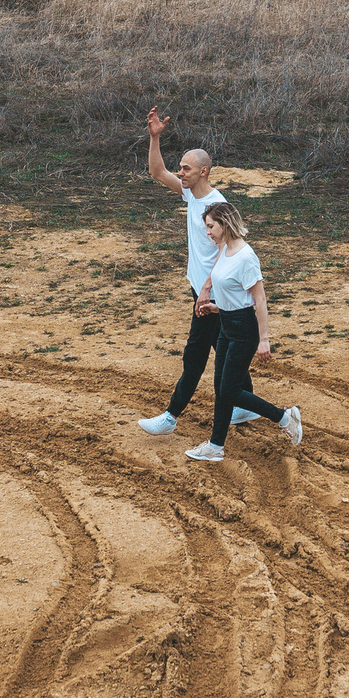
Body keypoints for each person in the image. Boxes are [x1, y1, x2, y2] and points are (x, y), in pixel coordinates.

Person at [135, 106, 261, 436]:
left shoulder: (217, 207)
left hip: (214, 291)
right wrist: (154, 138)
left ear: (204, 171)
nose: (182, 173)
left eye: (187, 169)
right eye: (182, 169)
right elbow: (157, 172)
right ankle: (245, 406)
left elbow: (228, 252)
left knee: (196, 353)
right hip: (204, 288)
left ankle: (171, 416)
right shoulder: (191, 194)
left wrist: (205, 289)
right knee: (225, 349)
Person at [183, 200, 303, 463]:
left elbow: (259, 300)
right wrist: (217, 308)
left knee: (229, 391)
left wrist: (264, 340)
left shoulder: (246, 257)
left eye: (211, 226)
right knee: (221, 387)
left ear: (225, 224)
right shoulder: (224, 249)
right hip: (226, 324)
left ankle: (285, 417)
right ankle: (215, 446)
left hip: (245, 331)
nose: (208, 233)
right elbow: (232, 292)